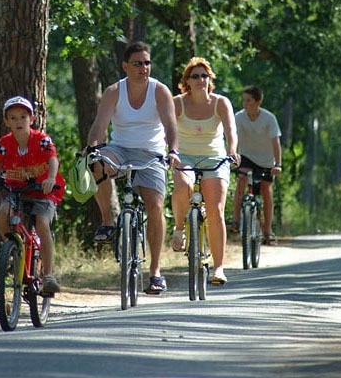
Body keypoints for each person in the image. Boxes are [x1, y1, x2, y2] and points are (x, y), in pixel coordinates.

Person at [83, 41, 180, 295]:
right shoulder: (114, 91)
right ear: (125, 66)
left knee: (155, 206)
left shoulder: (160, 91)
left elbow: (171, 128)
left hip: (152, 152)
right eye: (137, 63)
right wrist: (93, 146)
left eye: (147, 63)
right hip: (120, 148)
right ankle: (107, 220)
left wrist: (173, 151)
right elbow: (99, 125)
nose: (143, 68)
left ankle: (156, 272)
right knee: (96, 164)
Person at [0, 96, 65, 295]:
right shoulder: (3, 143)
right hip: (15, 188)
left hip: (43, 190)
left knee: (42, 223)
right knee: (3, 213)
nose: (19, 122)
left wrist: (50, 178)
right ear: (6, 121)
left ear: (32, 119)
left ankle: (49, 276)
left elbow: (53, 159)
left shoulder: (42, 140)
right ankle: (10, 247)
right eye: (13, 118)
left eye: (23, 117)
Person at [169, 57, 239, 286]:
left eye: (204, 76)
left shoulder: (221, 103)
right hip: (185, 157)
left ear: (210, 79)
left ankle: (218, 268)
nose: (200, 80)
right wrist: (170, 152)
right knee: (181, 185)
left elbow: (231, 131)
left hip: (215, 158)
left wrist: (232, 152)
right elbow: (166, 131)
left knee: (216, 210)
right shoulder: (177, 103)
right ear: (187, 81)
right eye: (195, 76)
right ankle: (179, 229)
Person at [231, 86, 282, 245]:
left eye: (249, 101)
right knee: (242, 180)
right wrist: (231, 156)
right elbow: (234, 137)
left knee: (266, 190)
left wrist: (278, 164)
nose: (245, 104)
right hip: (246, 156)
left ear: (258, 102)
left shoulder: (269, 118)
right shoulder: (239, 117)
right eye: (244, 100)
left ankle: (267, 230)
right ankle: (236, 221)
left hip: (266, 160)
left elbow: (276, 142)